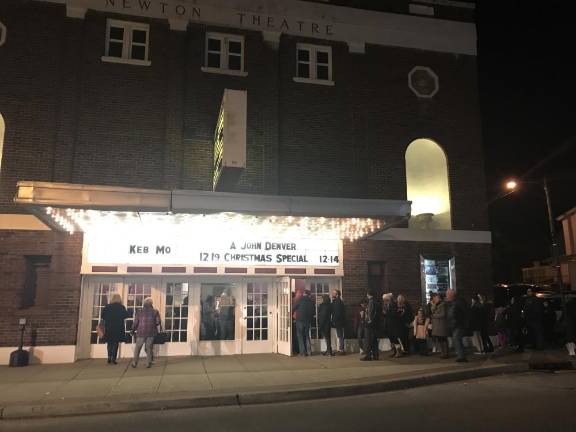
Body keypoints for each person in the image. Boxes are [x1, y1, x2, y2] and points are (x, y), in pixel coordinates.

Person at [131, 297, 162, 368]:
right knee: (149, 348)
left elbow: (136, 322)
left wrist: (132, 330)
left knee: (137, 348)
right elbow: (158, 322)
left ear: (144, 303)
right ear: (151, 304)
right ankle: (148, 363)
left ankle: (134, 363)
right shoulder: (155, 311)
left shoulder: (139, 311)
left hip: (141, 332)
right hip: (151, 332)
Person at [100, 293, 129, 364]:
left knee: (109, 342)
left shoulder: (107, 307)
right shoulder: (121, 307)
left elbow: (103, 316)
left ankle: (109, 357)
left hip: (109, 326)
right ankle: (113, 358)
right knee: (116, 343)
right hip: (118, 327)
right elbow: (125, 315)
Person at [446, 289, 468, 363]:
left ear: (451, 295)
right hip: (455, 325)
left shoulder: (458, 302)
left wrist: (462, 322)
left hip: (459, 325)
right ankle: (461, 355)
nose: (446, 296)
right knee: (457, 340)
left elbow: (464, 313)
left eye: (447, 295)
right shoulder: (453, 302)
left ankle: (461, 356)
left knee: (456, 339)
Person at [293, 289, 315, 356]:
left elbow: (293, 308)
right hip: (307, 321)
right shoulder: (312, 302)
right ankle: (309, 352)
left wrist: (291, 315)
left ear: (304, 293)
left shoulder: (299, 300)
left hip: (299, 320)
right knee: (307, 336)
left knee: (300, 336)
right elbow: (313, 312)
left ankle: (303, 352)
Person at [382, 293, 404, 357]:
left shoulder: (393, 304)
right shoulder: (387, 305)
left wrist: (386, 313)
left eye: (385, 299)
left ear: (388, 298)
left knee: (395, 338)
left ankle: (399, 352)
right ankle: (394, 351)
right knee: (391, 338)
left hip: (393, 324)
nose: (384, 301)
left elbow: (394, 314)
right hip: (388, 324)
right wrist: (384, 314)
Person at [361, 290, 380, 361]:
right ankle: (375, 355)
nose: (366, 295)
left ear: (369, 294)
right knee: (374, 340)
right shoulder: (377, 301)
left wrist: (368, 322)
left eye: (367, 294)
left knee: (368, 340)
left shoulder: (371, 302)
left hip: (370, 325)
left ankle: (368, 355)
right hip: (375, 324)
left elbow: (370, 314)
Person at [430, 292, 449, 359]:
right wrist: (434, 304)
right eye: (433, 298)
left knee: (443, 339)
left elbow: (443, 314)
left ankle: (446, 353)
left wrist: (434, 316)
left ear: (438, 297)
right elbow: (432, 310)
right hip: (437, 325)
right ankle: (442, 353)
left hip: (442, 325)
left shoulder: (443, 304)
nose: (434, 299)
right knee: (440, 339)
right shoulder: (436, 304)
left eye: (435, 298)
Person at [330, 289, 346, 355]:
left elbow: (337, 313)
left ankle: (341, 349)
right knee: (339, 335)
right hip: (339, 321)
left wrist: (334, 321)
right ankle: (340, 349)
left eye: (333, 293)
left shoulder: (337, 302)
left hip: (338, 322)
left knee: (340, 335)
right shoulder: (337, 301)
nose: (332, 294)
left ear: (337, 294)